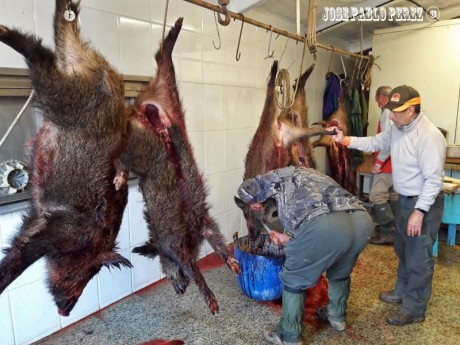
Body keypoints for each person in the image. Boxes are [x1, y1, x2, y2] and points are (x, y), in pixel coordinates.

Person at [331, 85, 446, 326]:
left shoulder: (429, 135)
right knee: (403, 250)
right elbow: (375, 142)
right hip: (404, 201)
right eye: (390, 111)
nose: (390, 116)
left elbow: (434, 180)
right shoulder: (398, 128)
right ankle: (401, 292)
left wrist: (419, 211)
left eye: (396, 111)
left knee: (418, 258)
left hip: (422, 204)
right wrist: (345, 140)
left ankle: (414, 309)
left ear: (412, 110)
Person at [236, 166, 373, 345]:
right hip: (362, 221)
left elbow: (307, 235)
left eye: (251, 202)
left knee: (294, 279)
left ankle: (288, 335)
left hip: (327, 226)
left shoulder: (281, 193)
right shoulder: (302, 174)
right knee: (340, 271)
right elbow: (308, 222)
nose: (254, 206)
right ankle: (337, 317)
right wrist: (287, 237)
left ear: (256, 192)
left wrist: (289, 241)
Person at [369, 85, 399, 245]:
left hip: (387, 164)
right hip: (397, 163)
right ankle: (395, 230)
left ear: (381, 98)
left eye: (376, 100)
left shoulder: (387, 112)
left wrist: (379, 162)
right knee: (392, 195)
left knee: (377, 195)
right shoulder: (396, 111)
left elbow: (387, 141)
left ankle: (388, 232)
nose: (377, 103)